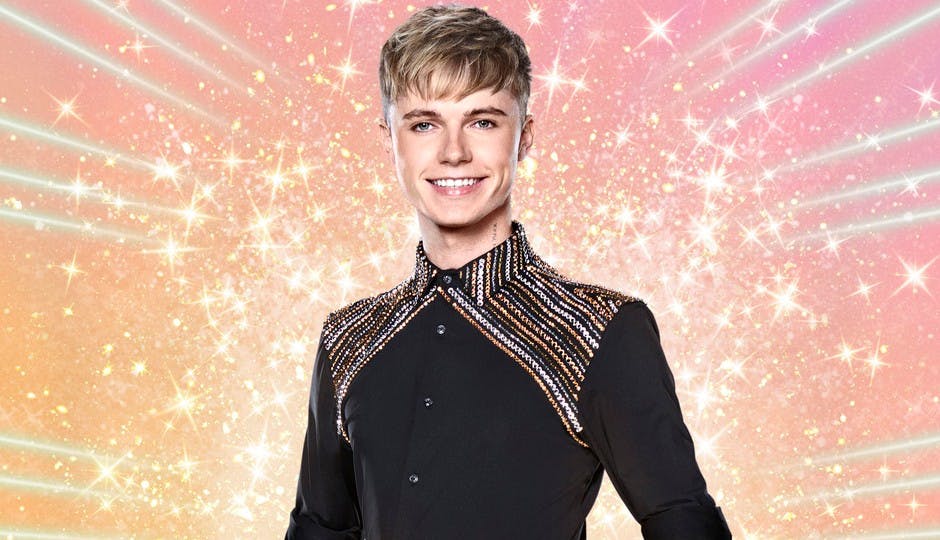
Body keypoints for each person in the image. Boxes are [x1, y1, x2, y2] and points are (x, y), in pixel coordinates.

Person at [285, 4, 731, 539]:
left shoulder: (600, 332)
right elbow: (319, 529)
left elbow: (682, 519)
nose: (454, 152)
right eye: (424, 124)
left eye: (483, 121)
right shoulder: (349, 340)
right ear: (389, 140)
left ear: (524, 137)